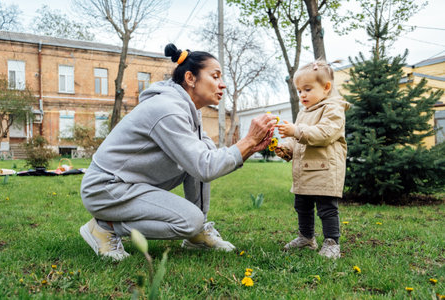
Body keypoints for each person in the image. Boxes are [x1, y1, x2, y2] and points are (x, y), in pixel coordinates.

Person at [79, 43, 276, 261]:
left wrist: (250, 147)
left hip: (132, 183)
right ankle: (104, 226)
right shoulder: (167, 110)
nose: (223, 85)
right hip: (106, 189)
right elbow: (206, 166)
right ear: (191, 78)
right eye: (215, 76)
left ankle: (196, 235)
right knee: (189, 221)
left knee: (195, 191)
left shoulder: (189, 111)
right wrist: (248, 141)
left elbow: (206, 159)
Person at [275, 60, 350, 259]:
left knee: (326, 208)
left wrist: (296, 130)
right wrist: (286, 148)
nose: (302, 95)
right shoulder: (303, 113)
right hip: (305, 170)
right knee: (302, 205)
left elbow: (324, 133)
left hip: (325, 169)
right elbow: (297, 140)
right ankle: (306, 237)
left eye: (307, 89)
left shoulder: (333, 109)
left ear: (326, 88)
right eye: (299, 91)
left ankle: (332, 242)